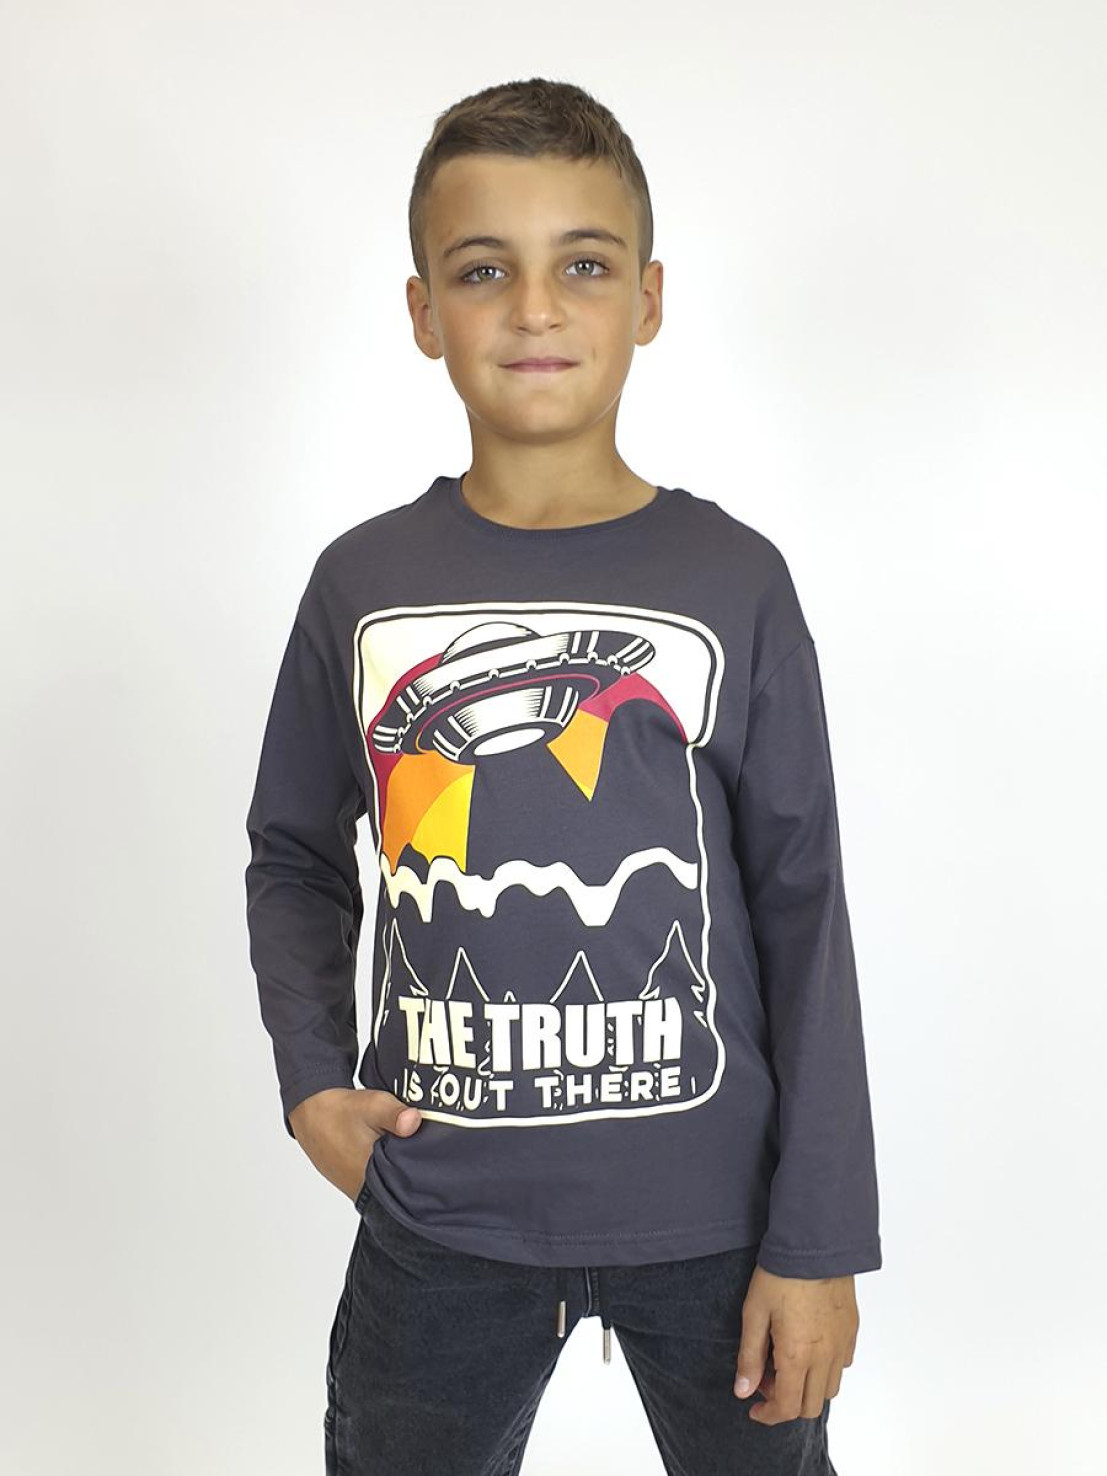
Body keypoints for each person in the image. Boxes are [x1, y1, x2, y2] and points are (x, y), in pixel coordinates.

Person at [244, 75, 882, 1476]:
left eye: (582, 265)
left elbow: (805, 909)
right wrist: (311, 1081)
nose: (535, 309)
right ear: (424, 311)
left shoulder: (734, 580)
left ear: (647, 299)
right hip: (438, 1217)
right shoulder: (360, 583)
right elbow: (293, 852)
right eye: (485, 270)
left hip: (720, 1223)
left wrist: (822, 1238)